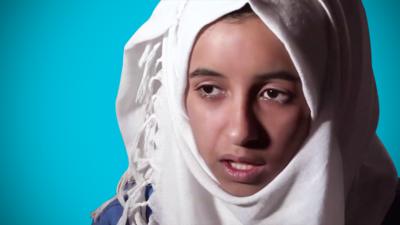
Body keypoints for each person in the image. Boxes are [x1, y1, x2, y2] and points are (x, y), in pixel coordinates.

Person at [92, 0, 399, 224]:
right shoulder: (134, 217)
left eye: (274, 94)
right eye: (210, 89)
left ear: (333, 95)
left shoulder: (385, 213)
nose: (241, 131)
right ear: (177, 94)